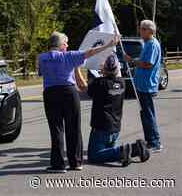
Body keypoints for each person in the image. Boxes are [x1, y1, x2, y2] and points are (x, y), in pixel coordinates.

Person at [38, 31, 119, 173]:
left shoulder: (42, 57)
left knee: (56, 128)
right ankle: (75, 162)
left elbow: (42, 72)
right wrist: (109, 45)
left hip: (50, 93)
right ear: (61, 45)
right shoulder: (69, 56)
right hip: (69, 92)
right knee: (73, 127)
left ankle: (57, 164)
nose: (68, 45)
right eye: (66, 43)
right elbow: (91, 52)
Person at [87, 54, 150, 166]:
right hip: (115, 127)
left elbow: (83, 87)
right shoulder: (122, 82)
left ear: (104, 68)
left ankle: (123, 151)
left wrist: (76, 69)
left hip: (101, 127)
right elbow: (112, 77)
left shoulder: (100, 83)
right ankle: (136, 148)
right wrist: (106, 71)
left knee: (94, 156)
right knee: (108, 153)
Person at [124, 20, 163, 153]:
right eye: (140, 28)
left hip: (147, 85)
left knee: (148, 114)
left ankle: (155, 142)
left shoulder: (152, 44)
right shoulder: (147, 43)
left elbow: (148, 64)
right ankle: (150, 140)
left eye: (142, 29)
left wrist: (132, 61)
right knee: (145, 114)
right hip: (142, 84)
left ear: (149, 31)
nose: (139, 31)